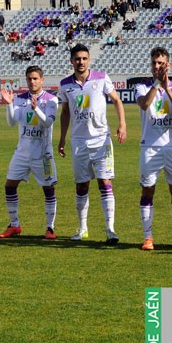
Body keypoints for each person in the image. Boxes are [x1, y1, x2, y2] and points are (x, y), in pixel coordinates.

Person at [57, 44, 126, 244]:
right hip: (78, 142)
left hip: (101, 139)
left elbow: (116, 100)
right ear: (71, 61)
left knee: (105, 182)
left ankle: (110, 229)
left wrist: (122, 124)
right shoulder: (65, 85)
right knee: (81, 186)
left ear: (89, 60)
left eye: (84, 58)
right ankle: (82, 229)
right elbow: (65, 112)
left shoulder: (101, 78)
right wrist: (62, 138)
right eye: (77, 59)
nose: (81, 62)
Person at [134, 47, 172, 250]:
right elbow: (145, 104)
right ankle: (148, 237)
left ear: (168, 65)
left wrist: (167, 88)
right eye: (154, 63)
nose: (157, 66)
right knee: (148, 190)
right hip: (149, 147)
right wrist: (158, 84)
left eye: (161, 63)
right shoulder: (142, 87)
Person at [0, 66, 59, 239]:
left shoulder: (51, 100)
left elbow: (48, 123)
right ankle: (15, 225)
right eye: (29, 79)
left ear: (42, 80)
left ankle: (50, 227)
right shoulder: (19, 99)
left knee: (48, 188)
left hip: (42, 154)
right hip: (22, 152)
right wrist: (9, 104)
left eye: (35, 78)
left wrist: (36, 109)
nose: (32, 82)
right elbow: (12, 122)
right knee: (9, 185)